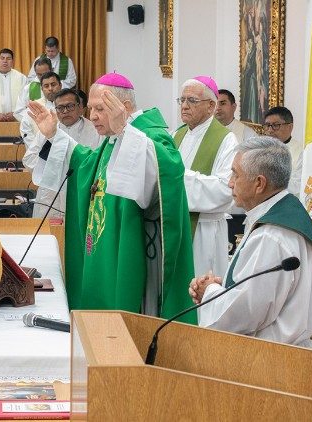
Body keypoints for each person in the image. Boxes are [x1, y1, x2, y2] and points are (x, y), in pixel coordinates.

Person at [29, 72, 195, 322]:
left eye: (99, 109)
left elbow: (167, 174)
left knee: (128, 316)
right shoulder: (117, 137)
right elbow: (89, 163)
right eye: (91, 109)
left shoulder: (149, 136)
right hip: (106, 244)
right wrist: (55, 135)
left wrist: (126, 133)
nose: (92, 116)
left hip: (133, 249)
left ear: (124, 108)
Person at [189, 137, 312, 347]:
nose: (230, 182)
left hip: (268, 360)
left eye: (235, 174)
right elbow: (258, 297)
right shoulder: (287, 215)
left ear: (259, 183)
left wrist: (208, 292)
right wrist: (221, 289)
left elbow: (241, 315)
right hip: (287, 353)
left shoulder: (272, 236)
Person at [173, 76, 237, 278]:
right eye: (181, 100)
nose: (184, 106)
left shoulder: (226, 140)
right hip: (176, 224)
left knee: (200, 292)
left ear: (211, 106)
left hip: (204, 231)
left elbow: (225, 190)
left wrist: (176, 179)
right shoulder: (176, 134)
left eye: (191, 100)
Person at [24, 88, 99, 218]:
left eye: (69, 106)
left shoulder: (95, 130)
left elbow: (97, 162)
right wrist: (51, 159)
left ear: (80, 107)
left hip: (80, 190)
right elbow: (29, 160)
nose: (64, 111)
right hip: (50, 194)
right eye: (60, 108)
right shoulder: (47, 129)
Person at [263, 106, 301, 195]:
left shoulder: (301, 153)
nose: (270, 130)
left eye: (275, 125)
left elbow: (297, 187)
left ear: (290, 127)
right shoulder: (261, 149)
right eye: (267, 125)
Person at [19, 71, 61, 144]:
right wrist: (39, 148)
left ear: (60, 85)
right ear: (42, 89)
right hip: (40, 151)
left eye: (53, 85)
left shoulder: (69, 105)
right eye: (46, 86)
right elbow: (25, 129)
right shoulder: (35, 106)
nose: (50, 88)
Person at [13, 57, 53, 121]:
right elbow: (18, 112)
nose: (42, 77)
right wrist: (33, 117)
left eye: (45, 74)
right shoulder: (28, 88)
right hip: (35, 125)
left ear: (51, 70)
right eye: (39, 74)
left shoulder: (59, 86)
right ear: (35, 72)